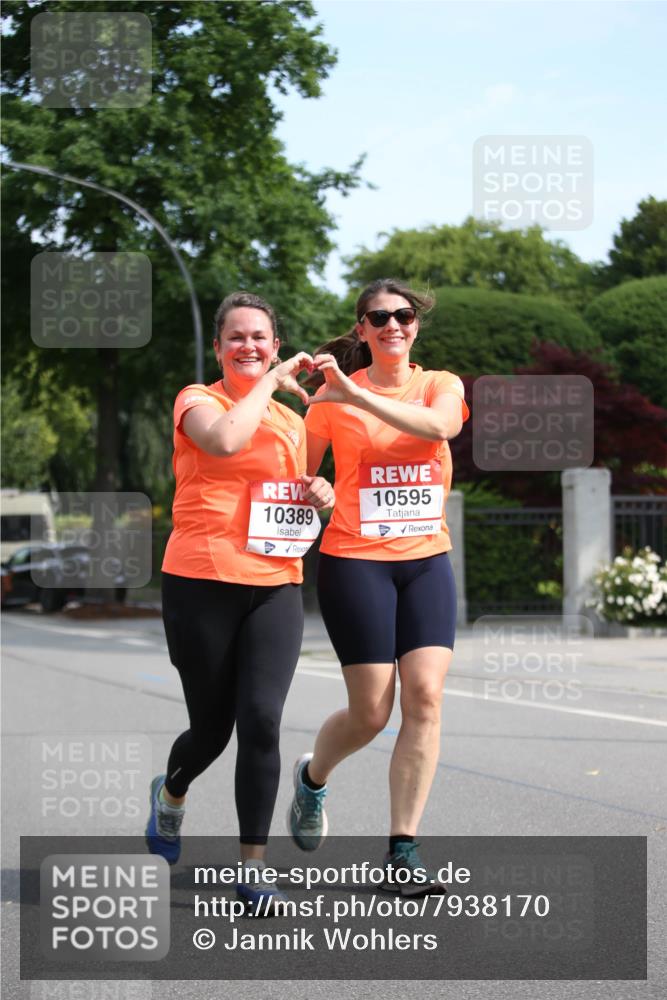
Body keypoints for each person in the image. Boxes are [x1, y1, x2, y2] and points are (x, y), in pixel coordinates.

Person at [146, 291, 333, 914]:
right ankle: (172, 794)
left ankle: (252, 867)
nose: (249, 346)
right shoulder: (196, 401)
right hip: (200, 580)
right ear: (219, 348)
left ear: (275, 344)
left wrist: (319, 493)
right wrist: (271, 384)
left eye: (261, 337)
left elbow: (289, 495)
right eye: (237, 338)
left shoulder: (292, 422)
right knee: (212, 729)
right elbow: (225, 443)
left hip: (274, 582)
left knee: (261, 721)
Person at [287, 278, 469, 895]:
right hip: (355, 561)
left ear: (416, 324)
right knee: (371, 712)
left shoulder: (441, 385)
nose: (394, 325)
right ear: (361, 329)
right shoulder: (330, 399)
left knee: (425, 698)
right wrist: (315, 490)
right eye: (379, 317)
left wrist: (353, 397)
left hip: (425, 562)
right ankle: (312, 777)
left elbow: (439, 427)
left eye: (405, 315)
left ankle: (402, 851)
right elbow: (297, 476)